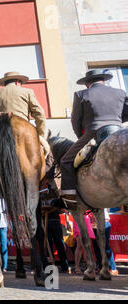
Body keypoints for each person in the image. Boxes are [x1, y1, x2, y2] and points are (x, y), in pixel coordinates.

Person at [60, 69, 128, 208]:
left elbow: (76, 121)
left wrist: (81, 137)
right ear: (103, 80)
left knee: (65, 161)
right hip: (118, 129)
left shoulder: (81, 94)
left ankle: (70, 199)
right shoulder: (120, 92)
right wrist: (117, 123)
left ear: (87, 84)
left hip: (94, 132)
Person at [0, 71, 48, 153]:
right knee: (46, 151)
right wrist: (40, 136)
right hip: (23, 128)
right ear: (17, 82)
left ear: (5, 83)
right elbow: (40, 114)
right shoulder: (28, 92)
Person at [90, 209, 118, 276]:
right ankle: (101, 267)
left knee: (106, 246)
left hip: (104, 223)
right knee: (96, 247)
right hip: (94, 224)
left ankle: (113, 268)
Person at [0, 199, 8, 272]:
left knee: (3, 246)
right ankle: (3, 266)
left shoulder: (4, 200)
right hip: (0, 224)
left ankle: (4, 265)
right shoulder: (3, 200)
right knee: (2, 245)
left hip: (2, 224)